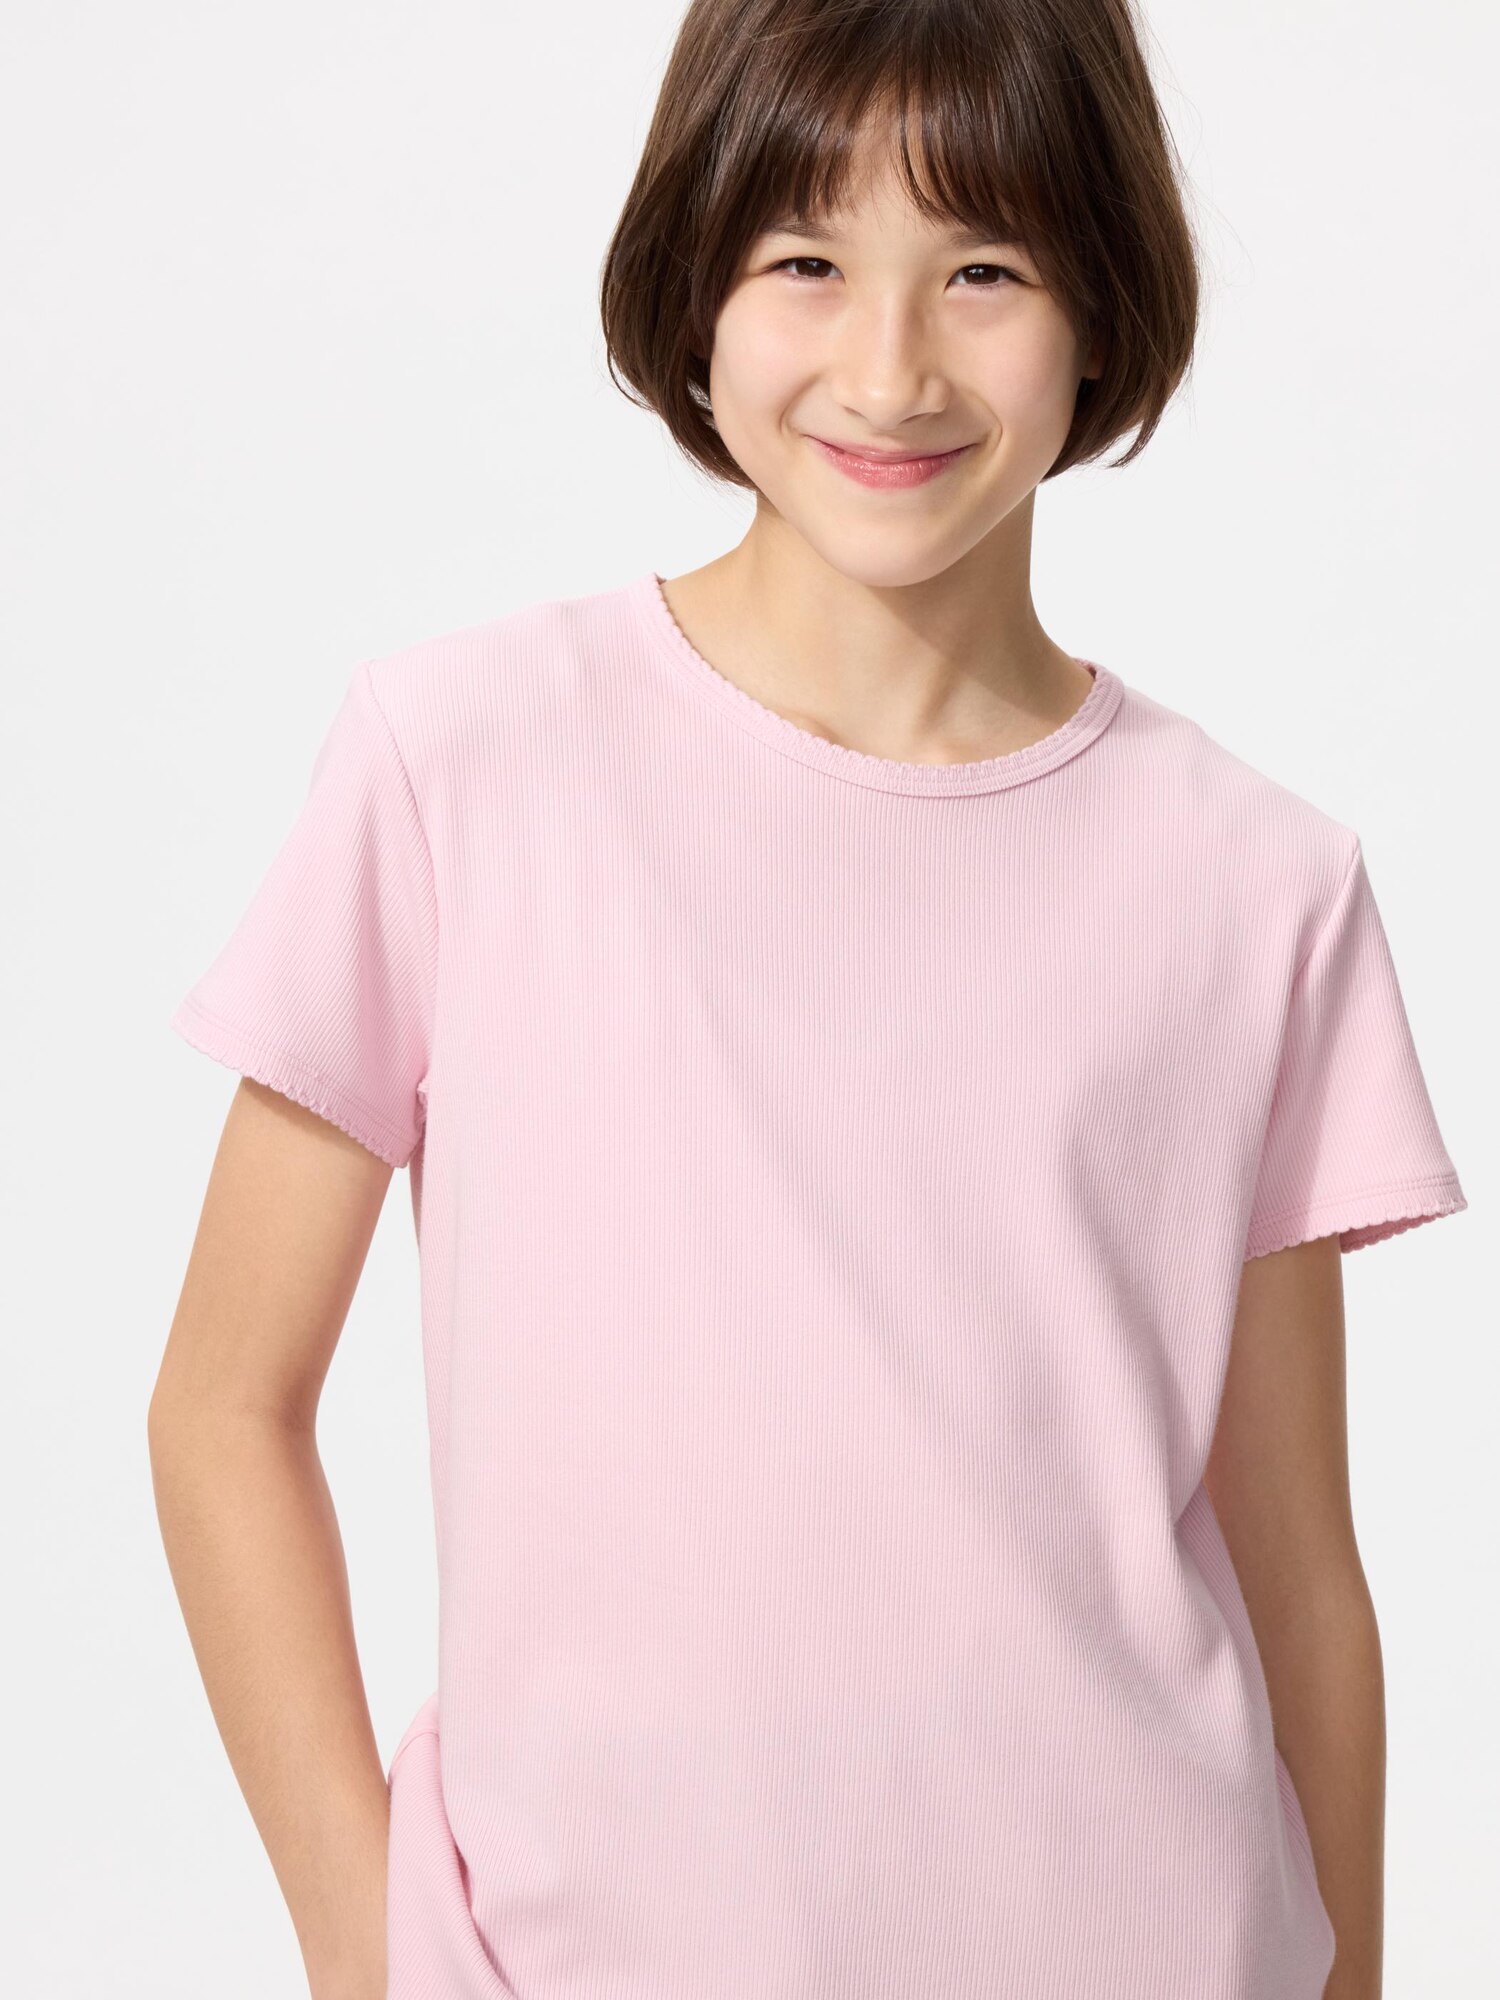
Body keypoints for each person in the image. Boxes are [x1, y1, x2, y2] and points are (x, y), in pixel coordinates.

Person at [148, 3, 1469, 1997]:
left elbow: (1303, 1581)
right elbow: (223, 1407)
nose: (890, 367)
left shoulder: (1256, 885)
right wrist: (370, 1945)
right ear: (696, 284)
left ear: (1102, 302)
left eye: (986, 269)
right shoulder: (464, 767)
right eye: (806, 262)